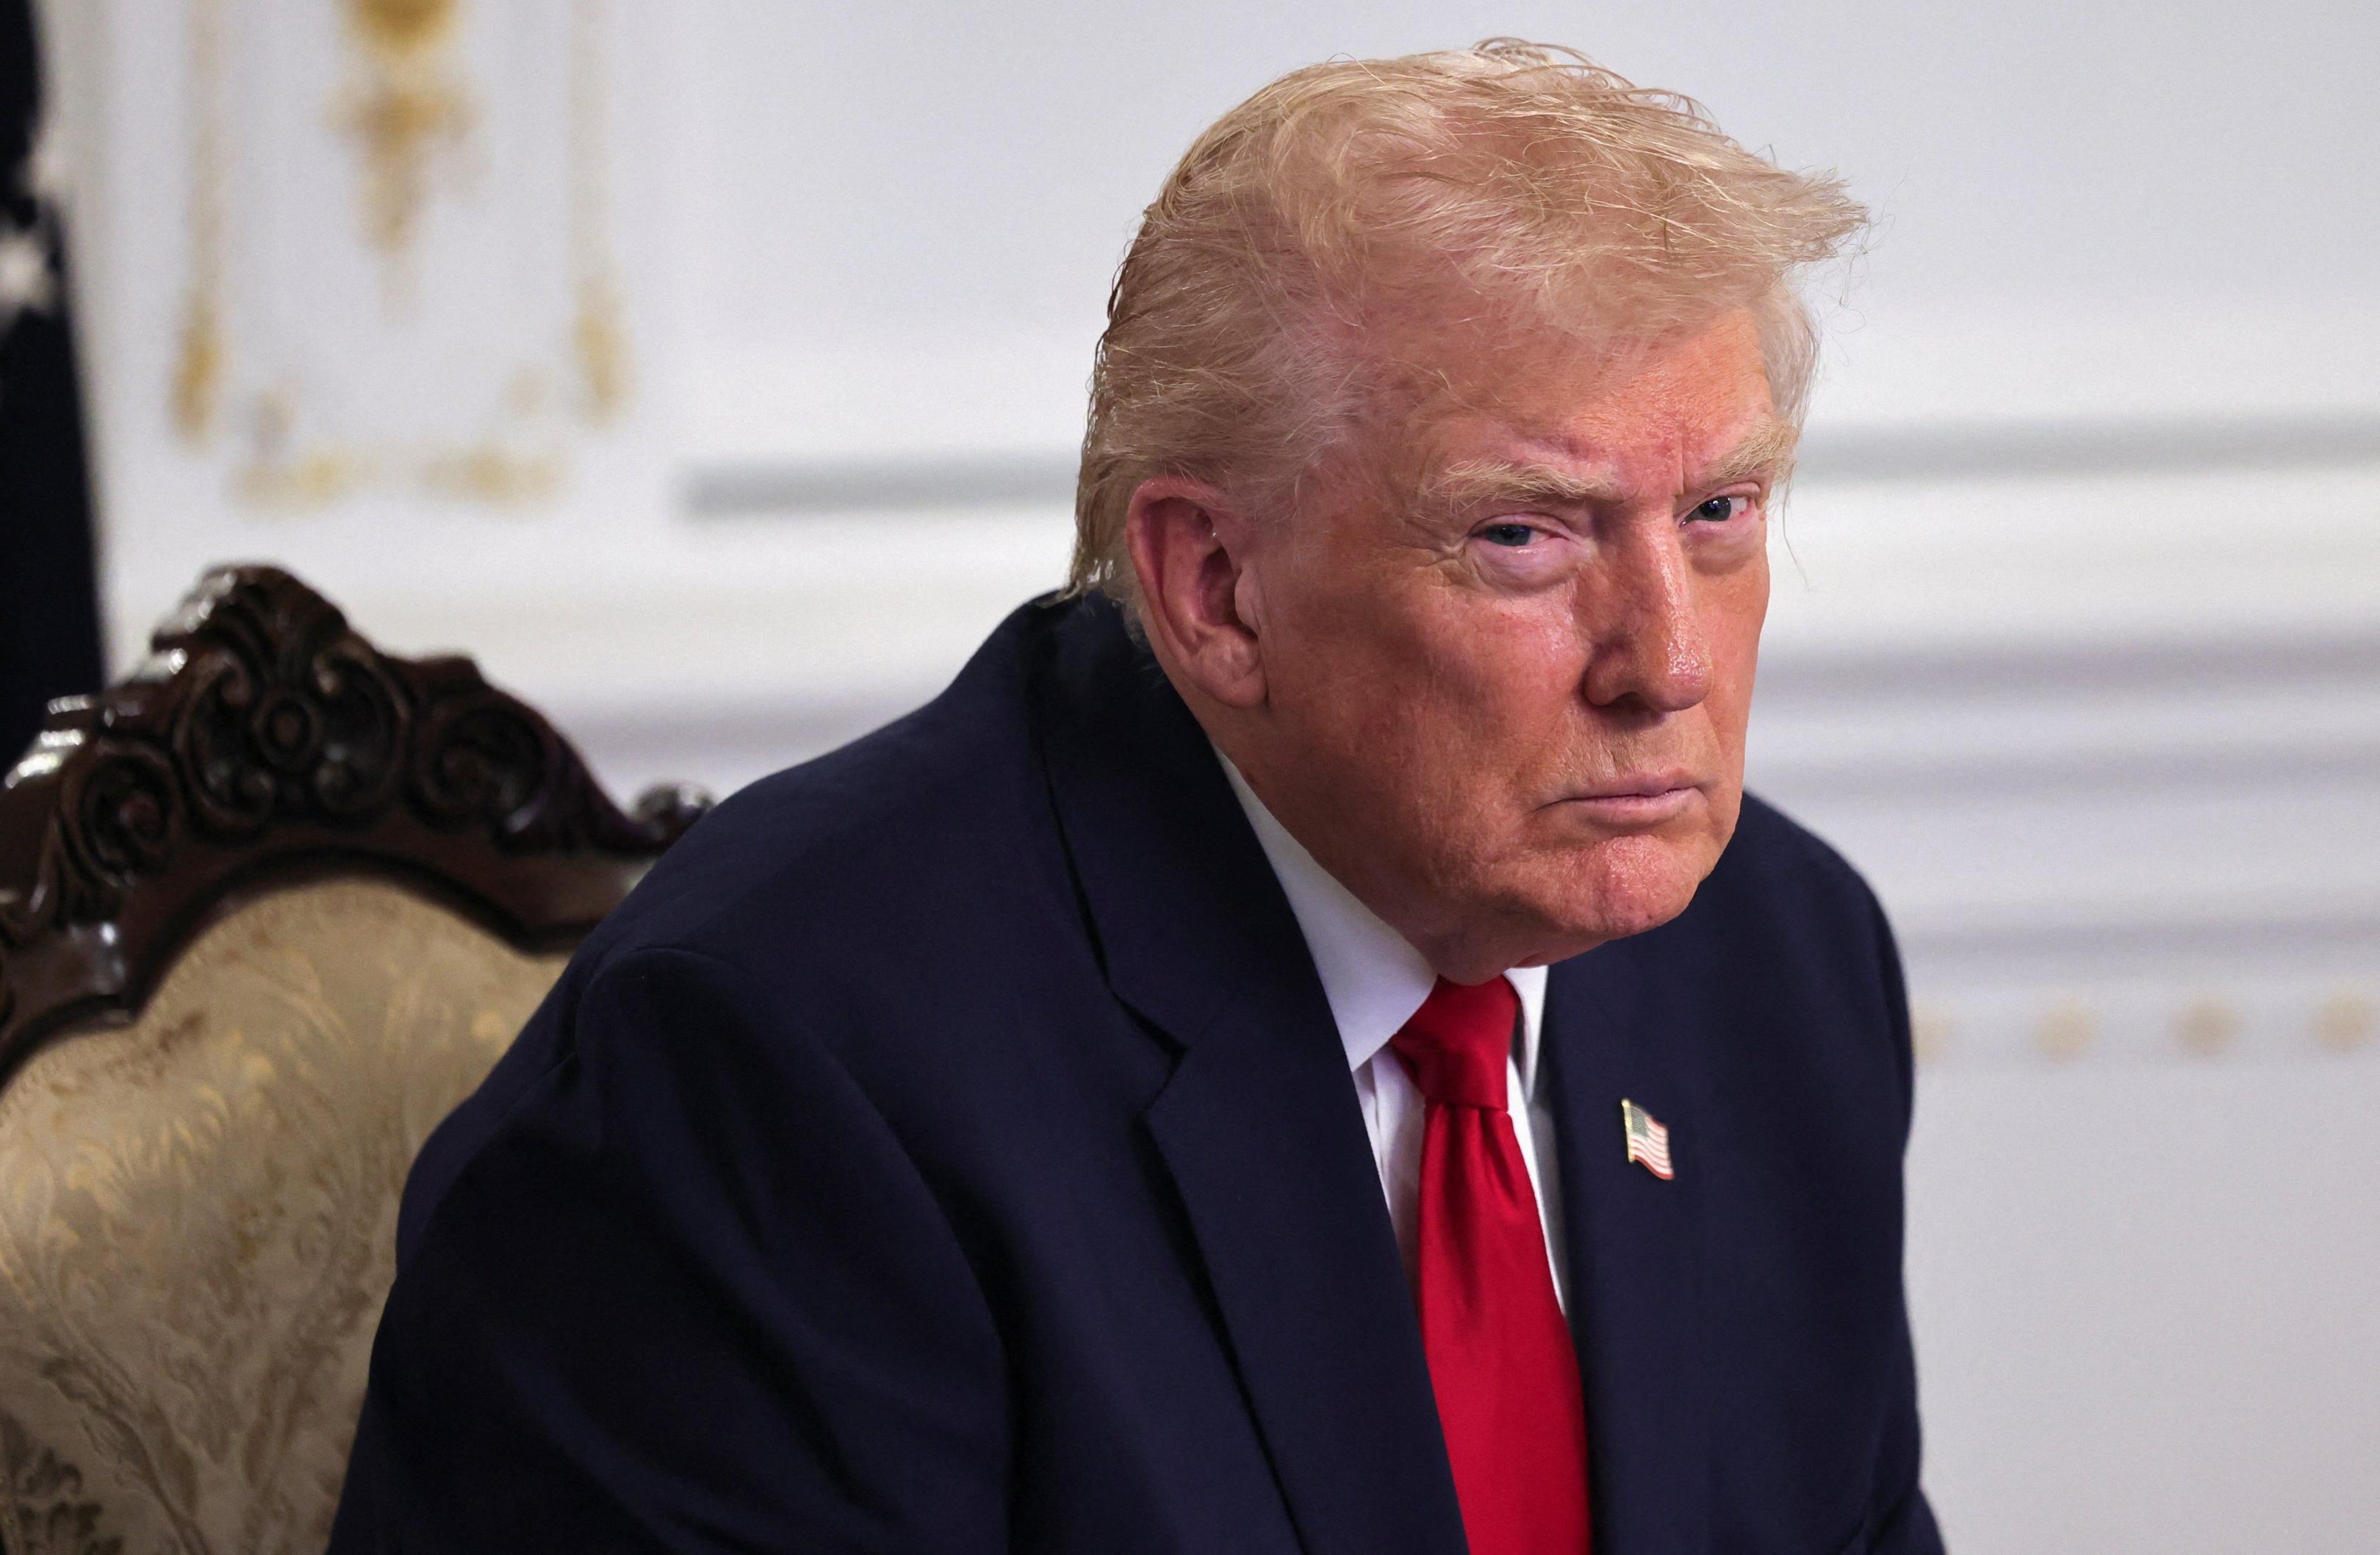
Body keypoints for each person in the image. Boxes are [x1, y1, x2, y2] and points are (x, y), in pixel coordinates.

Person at [331, 41, 1940, 1555]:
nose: (1664, 661)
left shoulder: (1779, 969)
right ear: (1219, 589)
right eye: (1526, 534)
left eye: (1722, 509)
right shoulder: (774, 1079)